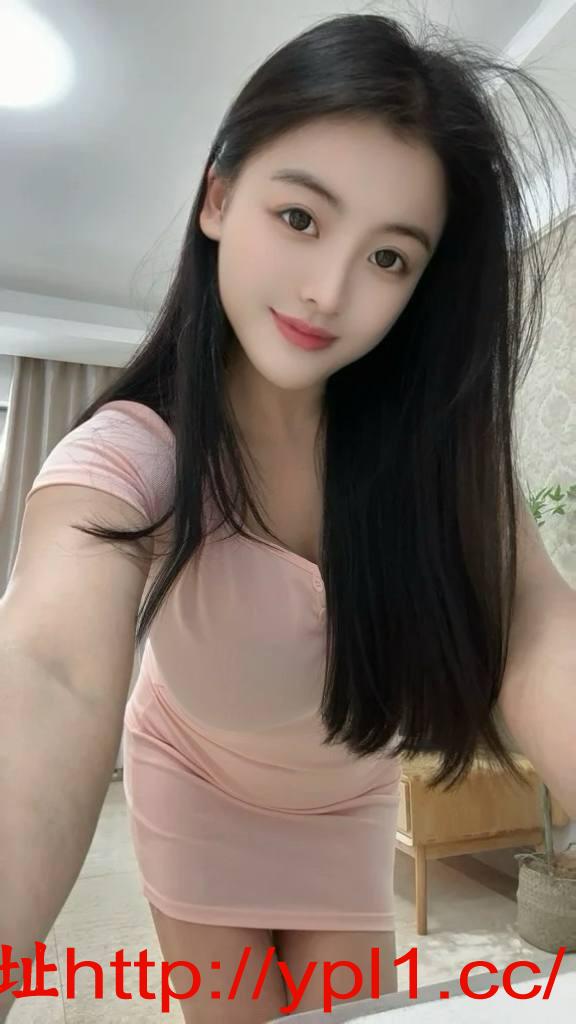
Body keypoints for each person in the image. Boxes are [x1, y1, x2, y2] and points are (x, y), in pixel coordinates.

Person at [1, 11, 575, 1024]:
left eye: (389, 258)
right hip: (195, 783)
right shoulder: (136, 451)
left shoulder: (438, 461)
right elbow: (49, 672)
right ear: (220, 197)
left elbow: (536, 628)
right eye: (301, 217)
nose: (328, 290)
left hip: (347, 797)